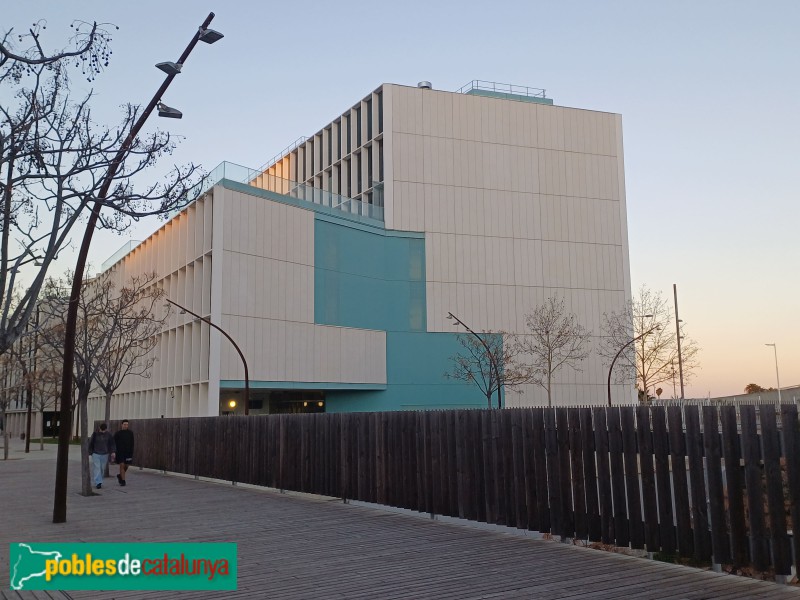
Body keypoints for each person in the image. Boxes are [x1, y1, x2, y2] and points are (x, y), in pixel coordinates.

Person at [88, 423, 115, 489]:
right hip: (96, 453)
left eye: (104, 430)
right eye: (102, 430)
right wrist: (90, 452)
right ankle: (98, 482)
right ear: (99, 428)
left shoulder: (108, 435)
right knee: (97, 468)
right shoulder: (95, 434)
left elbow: (112, 443)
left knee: (102, 468)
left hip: (105, 454)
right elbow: (90, 443)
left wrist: (113, 452)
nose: (103, 431)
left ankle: (99, 479)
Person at [114, 419, 134, 487]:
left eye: (127, 425)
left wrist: (131, 452)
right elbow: (113, 443)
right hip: (120, 452)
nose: (126, 426)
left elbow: (132, 443)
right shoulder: (118, 433)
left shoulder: (130, 433)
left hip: (128, 452)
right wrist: (114, 451)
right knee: (122, 465)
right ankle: (123, 481)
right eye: (125, 424)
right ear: (121, 425)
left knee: (127, 465)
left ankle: (120, 475)